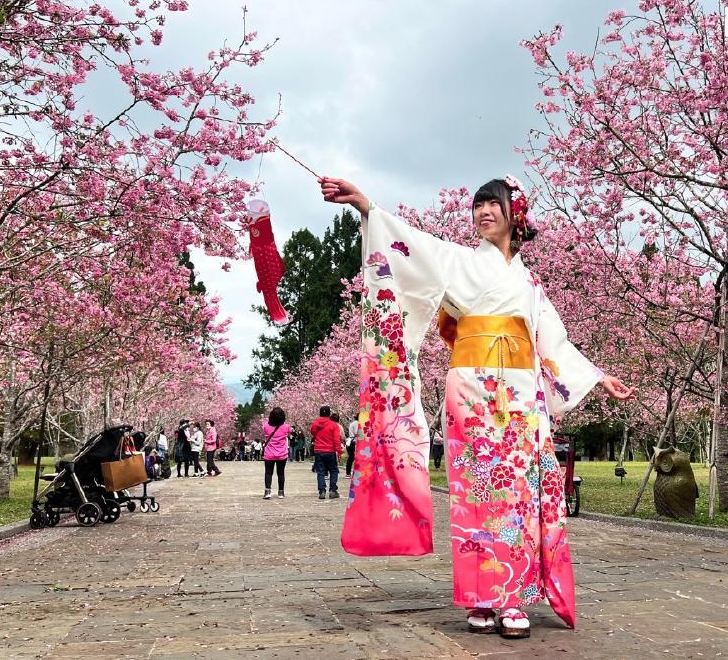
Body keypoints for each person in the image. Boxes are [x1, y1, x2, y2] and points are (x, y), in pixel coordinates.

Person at [323, 175, 634, 638]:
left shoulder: (529, 282)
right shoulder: (461, 261)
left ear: (516, 214)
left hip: (523, 395)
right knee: (476, 490)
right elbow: (412, 245)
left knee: (520, 494)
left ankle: (512, 599)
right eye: (479, 205)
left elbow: (554, 340)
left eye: (495, 204)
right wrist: (368, 207)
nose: (484, 212)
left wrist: (596, 375)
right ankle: (479, 598)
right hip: (471, 389)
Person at [310, 406, 342, 499]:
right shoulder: (333, 425)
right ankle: (333, 490)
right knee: (333, 470)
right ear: (329, 413)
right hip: (330, 451)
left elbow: (313, 432)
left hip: (319, 450)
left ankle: (322, 491)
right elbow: (336, 439)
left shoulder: (315, 424)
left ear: (320, 413)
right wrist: (339, 451)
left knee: (320, 471)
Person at [262, 407, 291, 499]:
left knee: (268, 472)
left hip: (269, 454)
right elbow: (290, 432)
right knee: (281, 473)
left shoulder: (266, 426)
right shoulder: (286, 427)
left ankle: (267, 491)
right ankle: (281, 492)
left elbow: (265, 429)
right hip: (282, 454)